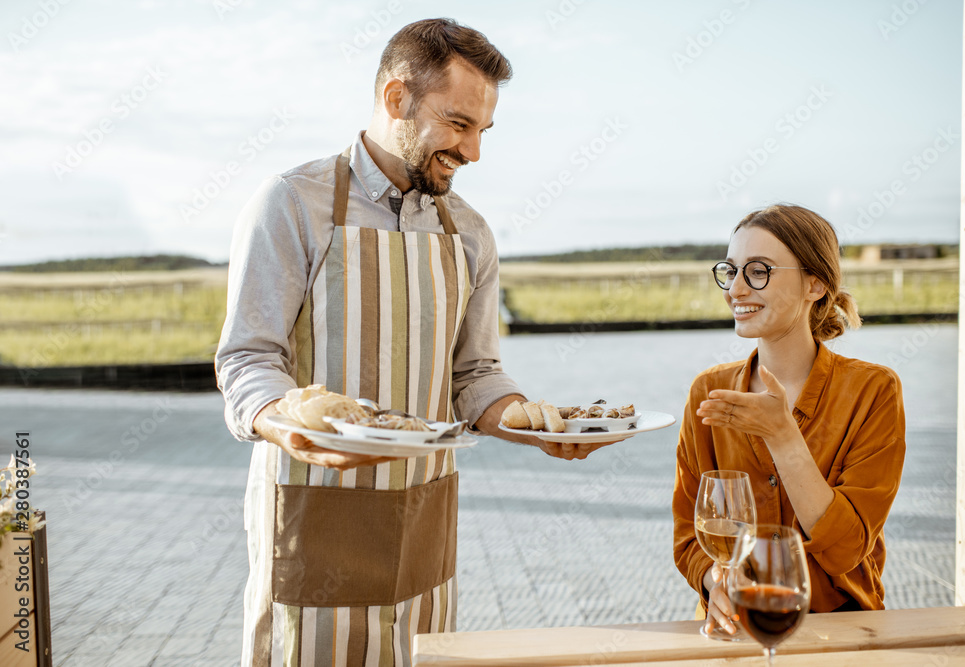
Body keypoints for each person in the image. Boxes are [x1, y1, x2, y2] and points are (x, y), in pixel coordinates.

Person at [215, 18, 609, 667]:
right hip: (317, 509)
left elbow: (475, 375)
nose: (474, 151)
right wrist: (285, 422)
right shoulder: (291, 204)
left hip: (423, 513)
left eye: (483, 130)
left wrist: (536, 425)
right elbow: (249, 358)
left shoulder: (472, 234)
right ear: (397, 99)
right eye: (458, 124)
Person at [672, 204, 906, 635]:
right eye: (731, 270)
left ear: (814, 284)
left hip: (842, 633)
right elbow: (690, 535)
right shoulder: (708, 392)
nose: (736, 290)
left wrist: (784, 437)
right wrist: (713, 579)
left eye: (758, 271)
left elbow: (847, 550)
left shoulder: (873, 391)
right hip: (736, 630)